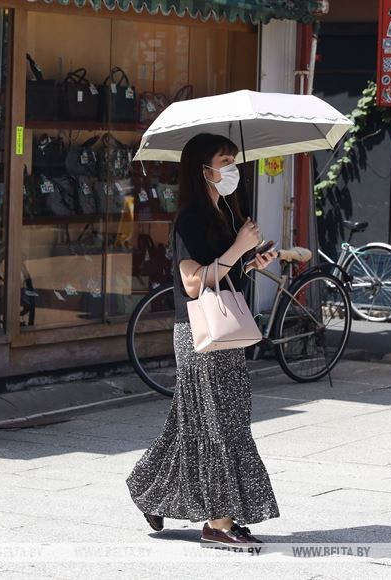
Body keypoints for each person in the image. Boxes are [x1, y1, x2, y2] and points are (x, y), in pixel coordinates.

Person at [125, 133, 280, 546]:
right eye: (225, 161)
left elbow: (223, 275)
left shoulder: (225, 213)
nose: (233, 169)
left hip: (225, 332)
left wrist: (251, 260)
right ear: (204, 169)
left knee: (200, 422)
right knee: (217, 424)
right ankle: (218, 524)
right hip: (199, 333)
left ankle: (149, 489)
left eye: (234, 161)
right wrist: (239, 246)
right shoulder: (190, 218)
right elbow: (193, 283)